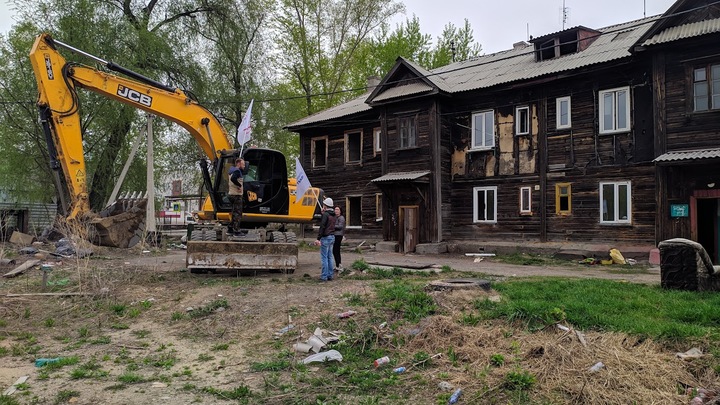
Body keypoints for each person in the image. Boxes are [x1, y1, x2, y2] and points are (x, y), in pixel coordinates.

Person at [314, 197, 336, 281]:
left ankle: (324, 276)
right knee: (330, 257)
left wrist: (318, 238)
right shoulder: (333, 215)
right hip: (332, 237)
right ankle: (330, 275)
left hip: (325, 237)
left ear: (325, 206)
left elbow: (322, 226)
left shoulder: (326, 215)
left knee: (324, 258)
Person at [228, 157, 245, 235]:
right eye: (243, 164)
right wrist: (239, 185)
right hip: (236, 195)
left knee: (234, 212)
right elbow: (233, 179)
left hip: (231, 194)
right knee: (238, 213)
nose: (244, 166)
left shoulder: (232, 170)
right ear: (238, 164)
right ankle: (236, 231)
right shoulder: (237, 171)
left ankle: (230, 228)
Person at [333, 206, 345, 272]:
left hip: (338, 235)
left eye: (337, 209)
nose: (336, 211)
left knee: (336, 250)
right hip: (335, 235)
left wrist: (332, 226)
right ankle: (337, 265)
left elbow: (340, 226)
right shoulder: (335, 217)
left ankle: (339, 265)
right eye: (335, 209)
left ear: (340, 211)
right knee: (334, 251)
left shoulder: (341, 218)